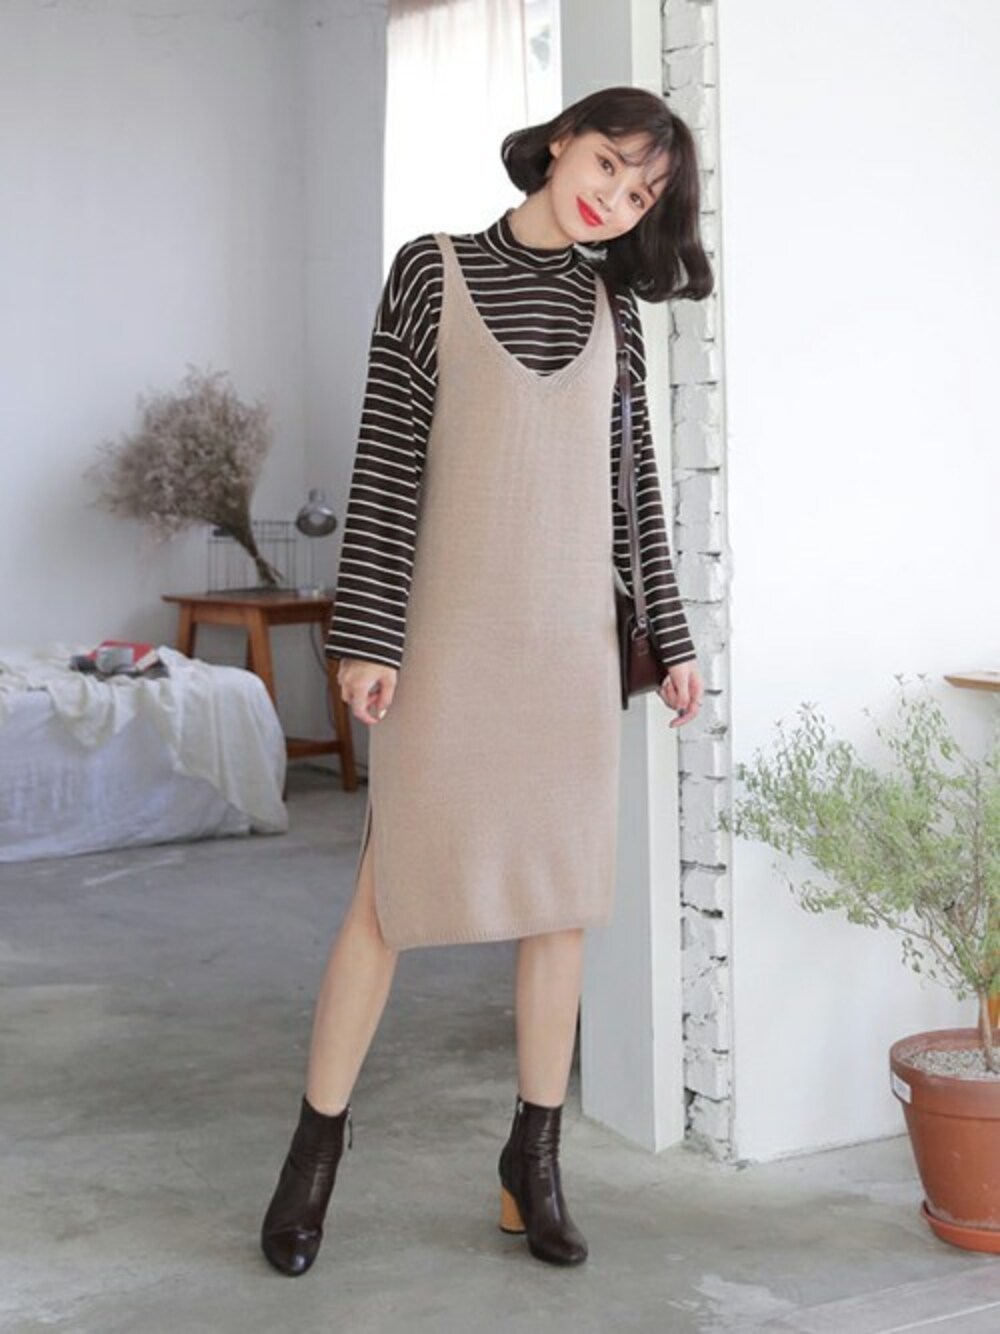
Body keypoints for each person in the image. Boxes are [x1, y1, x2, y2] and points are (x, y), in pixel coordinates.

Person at [260, 84, 712, 1277]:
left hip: (568, 654)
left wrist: (671, 640)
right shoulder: (433, 271)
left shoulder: (616, 311)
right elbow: (386, 461)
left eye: (641, 193)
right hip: (447, 643)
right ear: (561, 140)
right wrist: (367, 636)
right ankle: (313, 1153)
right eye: (608, 165)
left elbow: (634, 498)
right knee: (387, 898)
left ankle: (533, 1161)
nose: (615, 199)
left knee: (558, 904)